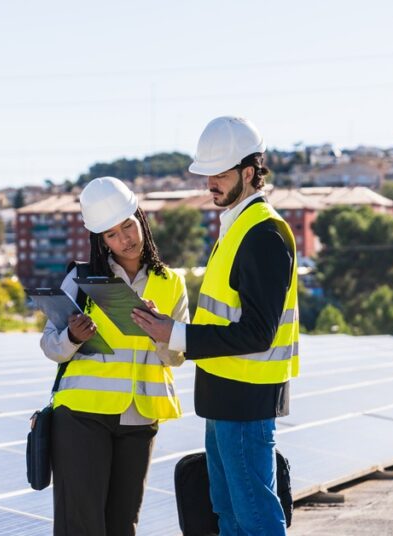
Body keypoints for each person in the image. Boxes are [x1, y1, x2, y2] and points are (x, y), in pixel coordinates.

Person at [132, 116, 299, 535]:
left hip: (247, 400)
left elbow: (258, 333)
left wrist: (175, 335)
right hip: (225, 396)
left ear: (249, 172)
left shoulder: (264, 235)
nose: (211, 184)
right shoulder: (237, 228)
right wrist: (170, 327)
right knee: (227, 513)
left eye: (220, 175)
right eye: (208, 175)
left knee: (255, 515)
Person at [40, 176, 189, 536]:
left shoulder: (171, 283)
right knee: (82, 525)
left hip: (139, 418)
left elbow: (177, 357)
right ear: (100, 239)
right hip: (81, 416)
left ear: (140, 218)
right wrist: (73, 336)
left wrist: (161, 331)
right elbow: (50, 345)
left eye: (128, 226)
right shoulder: (81, 277)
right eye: (111, 234)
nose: (125, 239)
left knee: (123, 525)